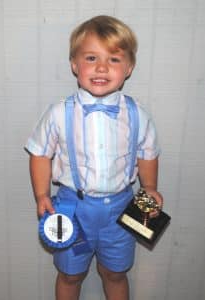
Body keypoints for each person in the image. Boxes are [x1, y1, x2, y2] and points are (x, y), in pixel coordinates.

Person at [25, 15, 163, 300]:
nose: (102, 67)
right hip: (72, 209)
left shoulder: (137, 113)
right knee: (69, 274)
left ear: (129, 68)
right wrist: (41, 194)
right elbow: (40, 153)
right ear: (75, 64)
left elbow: (148, 153)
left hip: (122, 207)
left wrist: (149, 188)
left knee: (115, 272)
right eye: (91, 57)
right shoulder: (58, 113)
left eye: (114, 59)